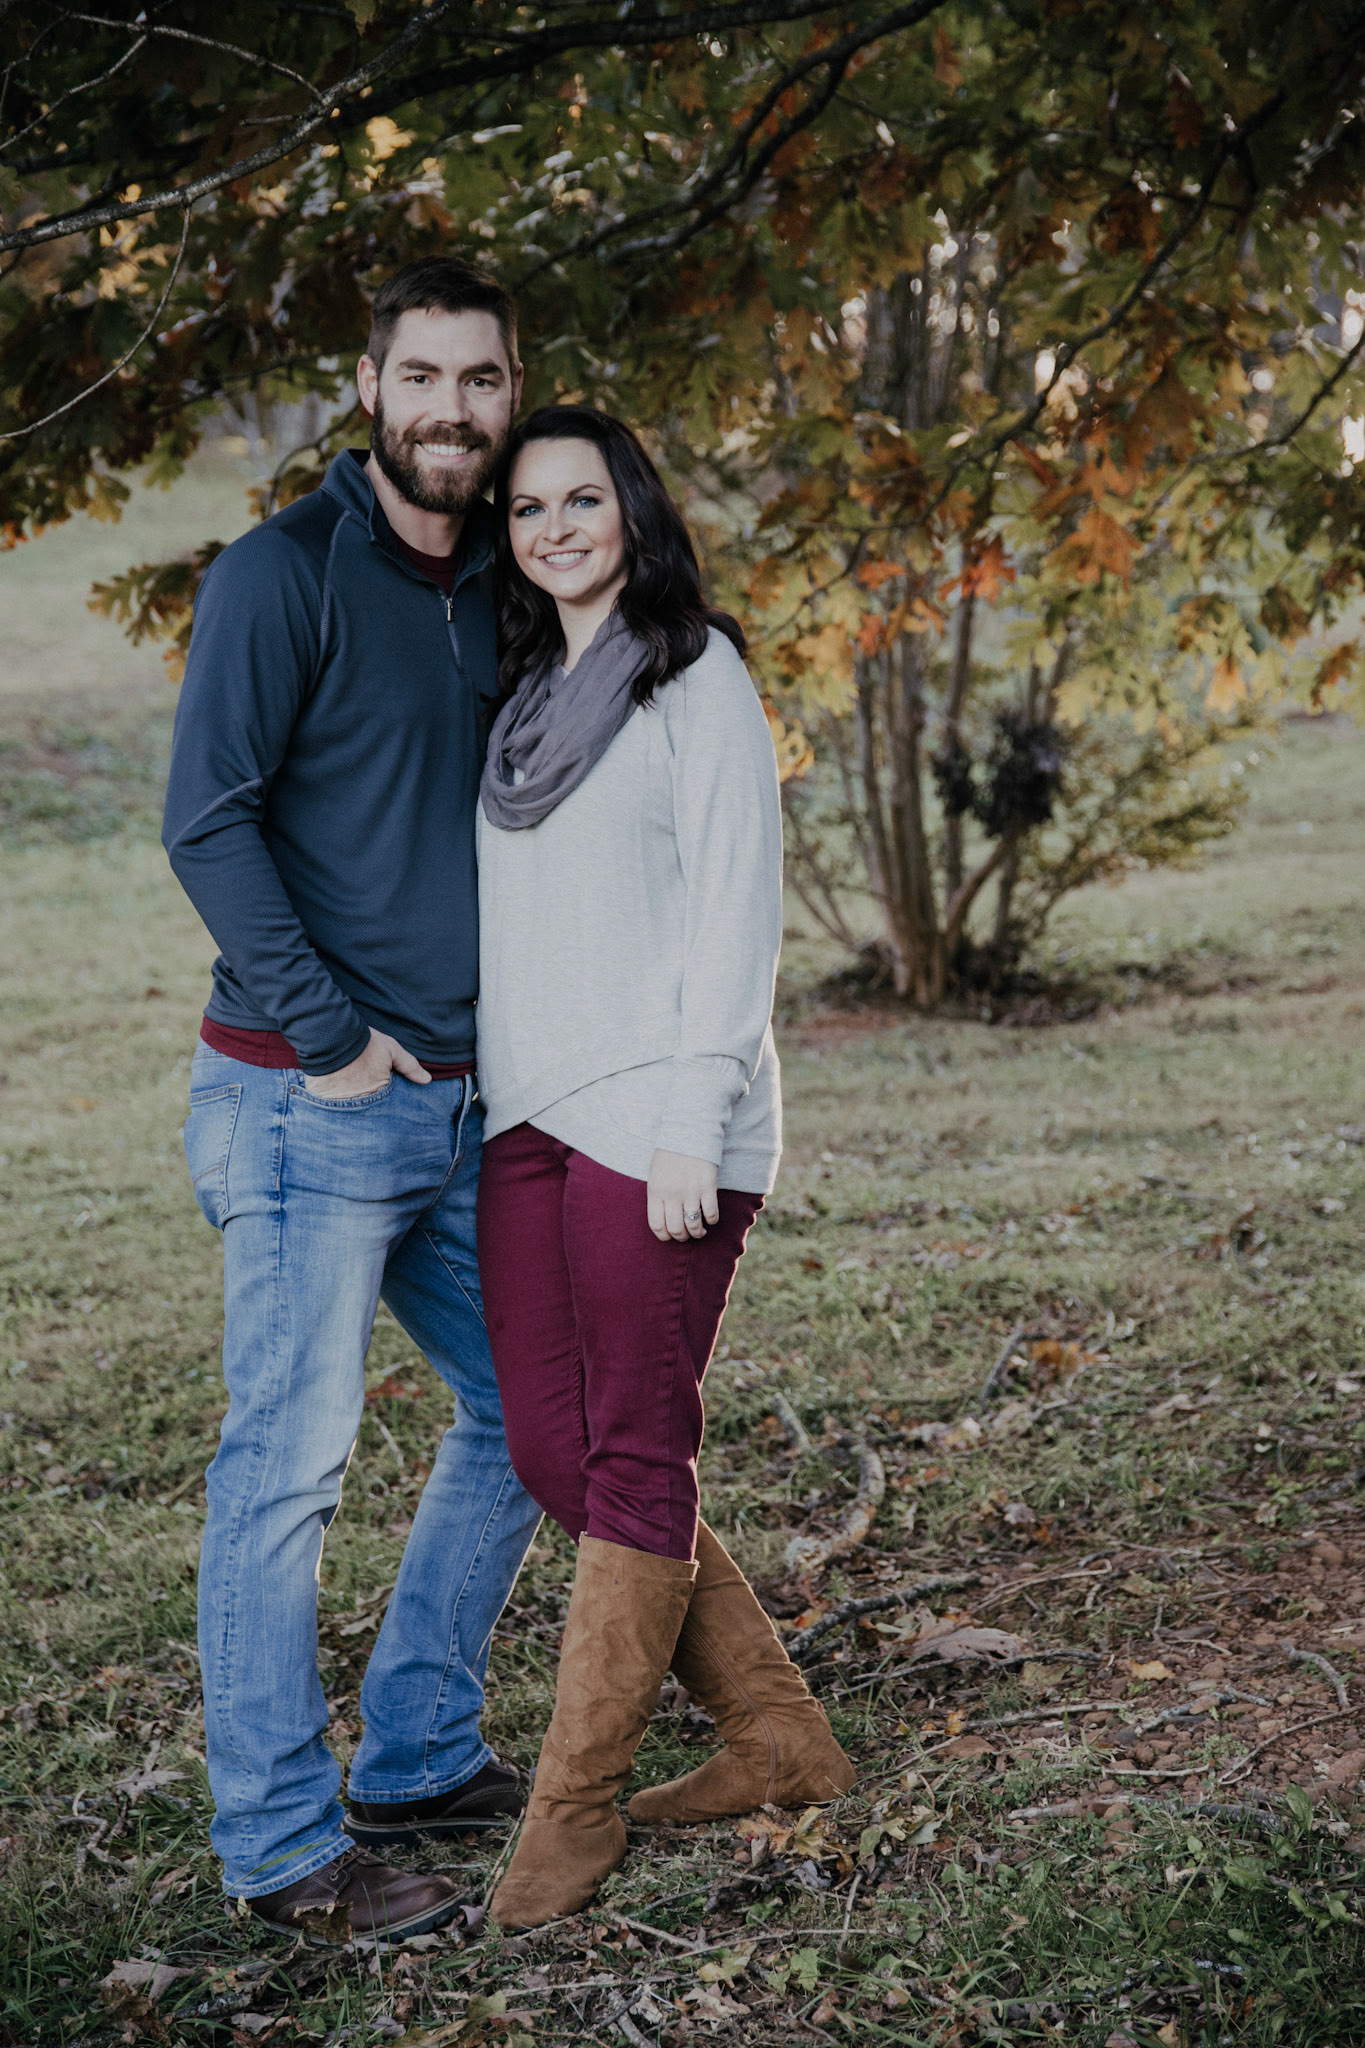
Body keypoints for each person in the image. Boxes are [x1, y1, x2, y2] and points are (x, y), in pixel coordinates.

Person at [161, 257, 544, 1943]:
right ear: (371, 386)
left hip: (464, 1104)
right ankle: (281, 1852)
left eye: (481, 379)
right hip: (306, 1103)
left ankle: (415, 1754)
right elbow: (207, 821)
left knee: (534, 1412)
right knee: (285, 1473)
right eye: (423, 377)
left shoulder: (511, 579)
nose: (451, 409)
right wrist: (328, 1038)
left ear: (510, 393)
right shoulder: (283, 573)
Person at [474, 406, 855, 1932]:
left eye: (582, 499)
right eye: (527, 508)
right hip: (527, 1117)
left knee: (634, 1448)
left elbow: (736, 911)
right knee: (550, 1452)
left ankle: (571, 1814)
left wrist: (698, 1111)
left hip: (662, 1121)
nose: (555, 528)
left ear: (630, 508)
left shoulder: (693, 677)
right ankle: (775, 1733)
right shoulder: (523, 703)